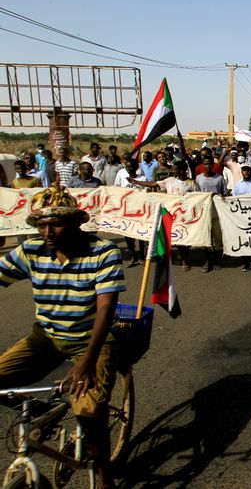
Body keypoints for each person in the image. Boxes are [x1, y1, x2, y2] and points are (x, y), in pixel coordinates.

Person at [0, 185, 126, 489]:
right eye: (41, 225)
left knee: (88, 408)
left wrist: (86, 361)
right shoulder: (31, 250)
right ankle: (44, 412)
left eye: (55, 224)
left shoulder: (103, 252)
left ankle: (103, 473)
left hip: (91, 338)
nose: (47, 232)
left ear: (74, 222)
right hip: (46, 336)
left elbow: (106, 309)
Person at [128, 160, 198, 270]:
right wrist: (136, 182)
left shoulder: (191, 183)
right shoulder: (169, 181)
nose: (173, 171)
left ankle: (185, 260)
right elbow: (153, 184)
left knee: (183, 238)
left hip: (185, 215)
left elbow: (197, 198)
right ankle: (175, 257)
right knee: (172, 237)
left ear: (182, 170)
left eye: (175, 169)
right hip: (170, 214)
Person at [114, 159, 146, 267]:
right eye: (127, 167)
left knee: (141, 234)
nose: (129, 169)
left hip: (139, 210)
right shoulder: (121, 175)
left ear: (136, 167)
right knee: (127, 234)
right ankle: (133, 256)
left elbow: (146, 194)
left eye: (131, 167)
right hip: (125, 209)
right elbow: (117, 190)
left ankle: (142, 257)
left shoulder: (142, 179)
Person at [195, 156, 225, 272]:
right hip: (204, 214)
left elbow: (224, 194)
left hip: (217, 214)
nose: (207, 166)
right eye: (205, 164)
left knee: (217, 239)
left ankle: (217, 261)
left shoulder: (219, 178)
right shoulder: (198, 179)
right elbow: (196, 195)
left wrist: (217, 196)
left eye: (209, 164)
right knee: (204, 239)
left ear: (213, 165)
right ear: (203, 165)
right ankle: (208, 261)